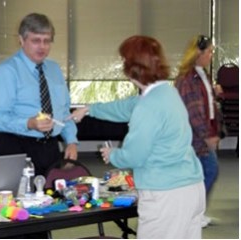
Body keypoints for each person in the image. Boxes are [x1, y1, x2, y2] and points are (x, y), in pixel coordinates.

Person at [69, 35, 205, 239]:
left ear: (133, 68)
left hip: (165, 196)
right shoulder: (167, 94)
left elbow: (135, 156)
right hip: (191, 189)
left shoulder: (148, 107)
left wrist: (113, 154)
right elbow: (128, 106)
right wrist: (90, 109)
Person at [0, 13, 78, 177]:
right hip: (16, 148)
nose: (42, 47)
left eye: (47, 41)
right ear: (21, 40)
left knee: (51, 199)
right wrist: (29, 123)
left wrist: (71, 141)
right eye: (36, 41)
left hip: (50, 148)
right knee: (17, 202)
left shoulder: (54, 69)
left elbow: (64, 112)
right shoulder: (5, 72)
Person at [174, 35, 222, 227]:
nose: (211, 55)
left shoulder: (202, 74)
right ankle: (192, 214)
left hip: (203, 133)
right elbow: (193, 112)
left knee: (201, 173)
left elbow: (206, 103)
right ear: (199, 52)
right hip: (194, 137)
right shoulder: (187, 78)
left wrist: (214, 91)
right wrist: (207, 136)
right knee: (209, 170)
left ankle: (196, 213)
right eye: (209, 51)